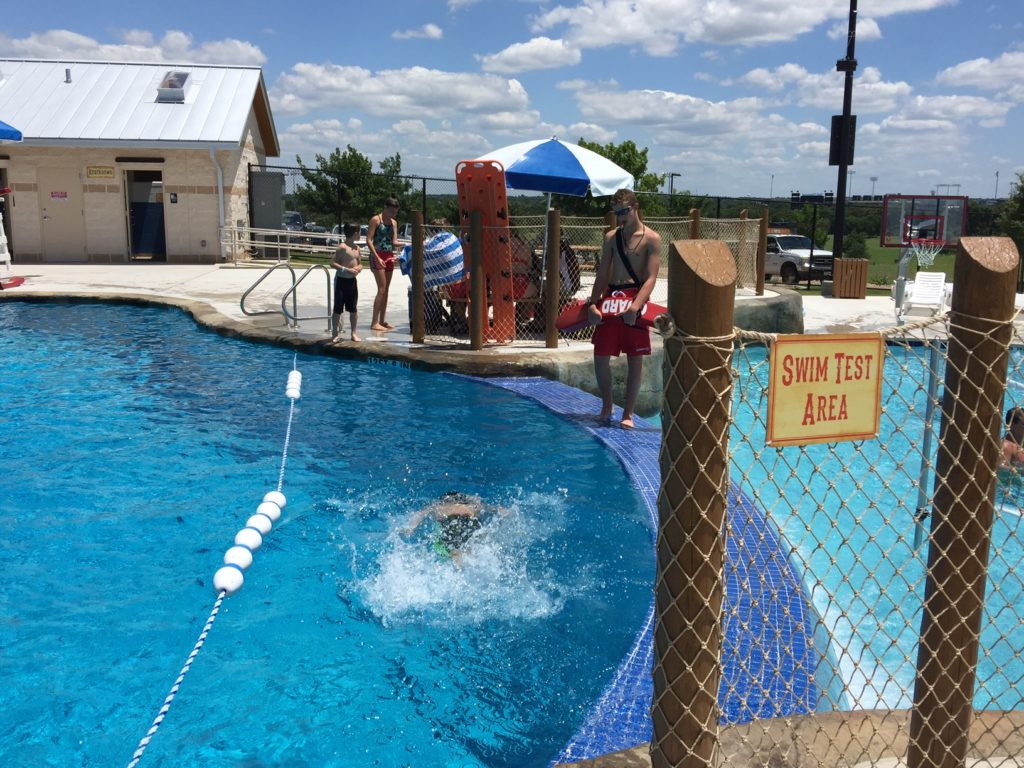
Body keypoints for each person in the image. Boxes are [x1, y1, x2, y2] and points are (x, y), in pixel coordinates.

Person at [585, 189, 661, 430]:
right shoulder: (611, 237)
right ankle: (607, 406)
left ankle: (627, 413)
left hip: (634, 299)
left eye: (624, 212)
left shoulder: (652, 239)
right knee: (600, 356)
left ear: (635, 207)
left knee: (635, 359)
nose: (620, 218)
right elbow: (602, 273)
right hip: (611, 298)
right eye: (616, 213)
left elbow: (651, 277)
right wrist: (592, 304)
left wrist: (635, 307)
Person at [401, 491, 486, 565]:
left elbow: (421, 513)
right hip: (467, 520)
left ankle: (457, 559)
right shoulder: (472, 507)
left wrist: (411, 527)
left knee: (453, 550)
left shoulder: (439, 507)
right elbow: (491, 508)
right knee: (468, 547)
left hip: (449, 523)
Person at [367, 197, 400, 331]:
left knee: (386, 289)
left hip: (388, 255)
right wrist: (377, 257)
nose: (393, 214)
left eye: (395, 212)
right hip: (377, 254)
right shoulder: (376, 220)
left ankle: (382, 320)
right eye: (391, 211)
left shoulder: (394, 223)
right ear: (385, 208)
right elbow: (369, 240)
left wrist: (408, 246)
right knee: (381, 288)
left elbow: (394, 242)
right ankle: (374, 322)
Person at [330, 223, 363, 342]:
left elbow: (360, 263)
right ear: (355, 234)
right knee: (338, 308)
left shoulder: (357, 248)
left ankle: (353, 333)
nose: (360, 235)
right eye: (359, 232)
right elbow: (332, 263)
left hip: (352, 282)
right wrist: (346, 269)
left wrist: (359, 268)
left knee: (353, 309)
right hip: (341, 281)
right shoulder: (342, 247)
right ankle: (335, 333)